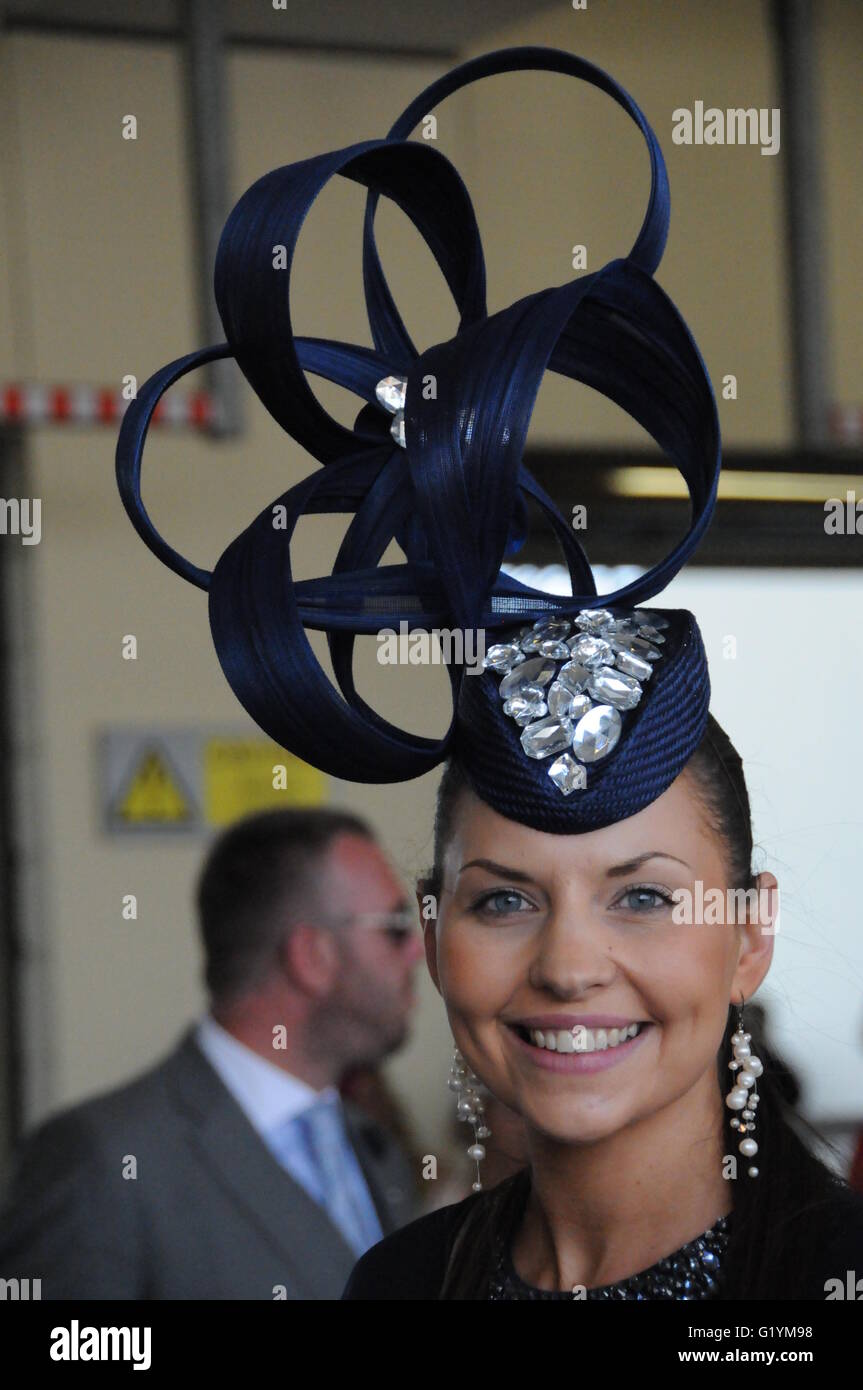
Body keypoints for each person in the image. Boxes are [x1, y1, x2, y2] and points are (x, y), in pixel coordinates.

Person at [115, 45, 863, 1300]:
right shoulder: (393, 1288)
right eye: (503, 899)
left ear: (750, 932)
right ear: (430, 929)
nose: (567, 965)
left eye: (641, 896)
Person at [0, 808, 423, 1298]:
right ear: (312, 956)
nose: (415, 950)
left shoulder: (374, 1147)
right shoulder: (103, 1163)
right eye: (395, 926)